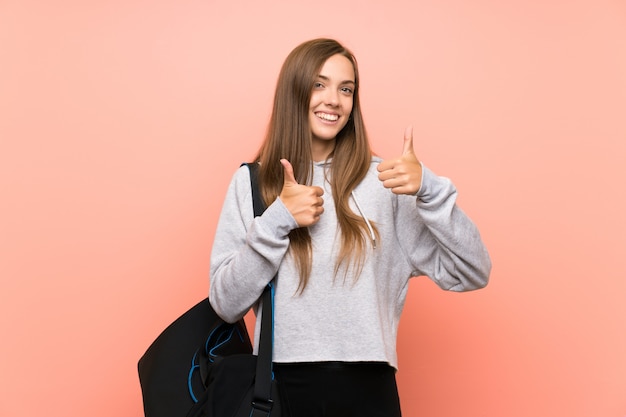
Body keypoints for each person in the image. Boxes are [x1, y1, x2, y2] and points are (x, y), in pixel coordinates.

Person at [209, 38, 491, 417]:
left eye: (346, 89)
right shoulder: (254, 183)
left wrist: (431, 189)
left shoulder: (385, 184)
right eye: (319, 84)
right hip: (278, 391)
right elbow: (225, 304)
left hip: (368, 391)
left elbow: (473, 270)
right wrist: (278, 219)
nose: (334, 100)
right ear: (294, 91)